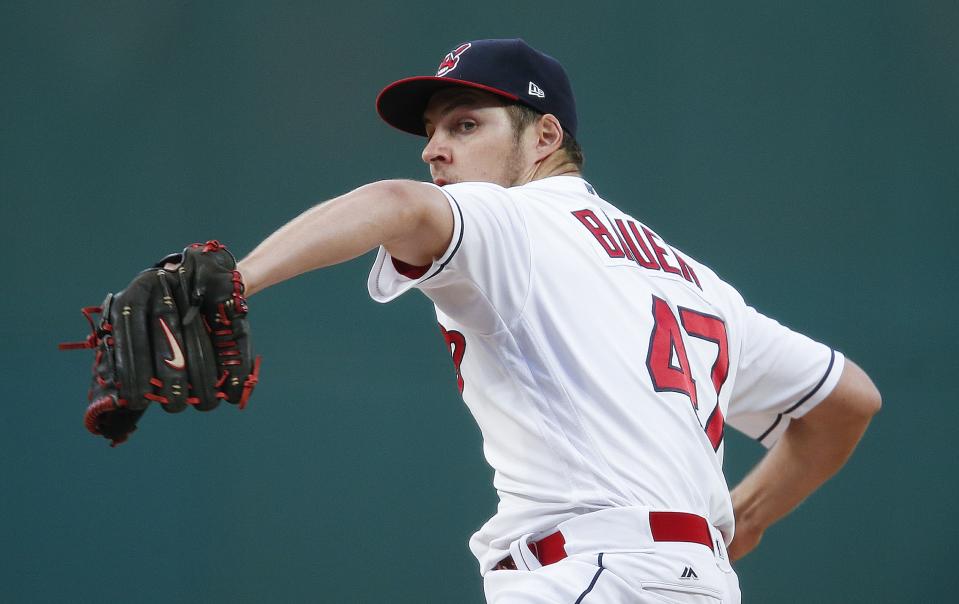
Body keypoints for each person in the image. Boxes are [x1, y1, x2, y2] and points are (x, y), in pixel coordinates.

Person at [236, 39, 880, 603]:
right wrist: (747, 516)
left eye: (464, 126)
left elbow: (395, 204)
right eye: (431, 132)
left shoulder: (516, 219)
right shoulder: (697, 283)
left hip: (586, 576)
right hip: (697, 580)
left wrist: (237, 281)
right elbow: (848, 399)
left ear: (544, 137)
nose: (434, 150)